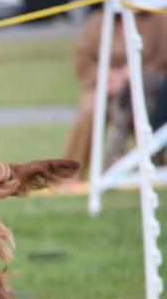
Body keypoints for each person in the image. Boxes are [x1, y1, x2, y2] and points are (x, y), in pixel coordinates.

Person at [64, 10, 167, 176]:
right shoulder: (98, 21)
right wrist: (107, 76)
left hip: (148, 84)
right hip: (105, 86)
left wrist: (133, 73)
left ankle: (148, 163)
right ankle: (70, 174)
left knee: (146, 106)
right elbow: (82, 59)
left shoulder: (160, 19)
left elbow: (163, 57)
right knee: (89, 107)